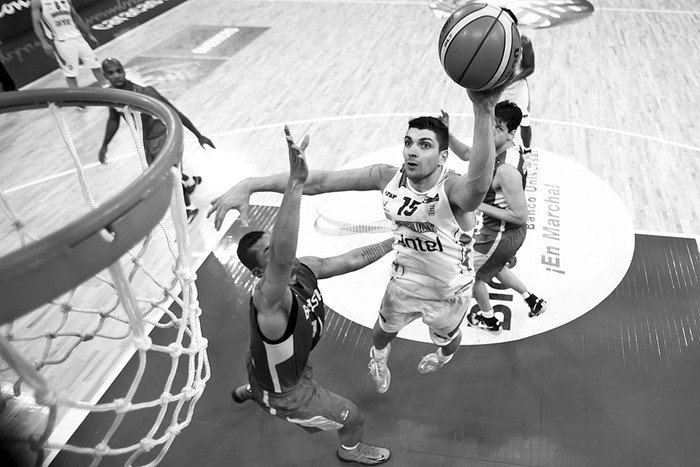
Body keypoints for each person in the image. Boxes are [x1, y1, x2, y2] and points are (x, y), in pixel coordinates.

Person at [208, 84, 506, 394]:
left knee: (448, 337)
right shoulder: (386, 177)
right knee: (381, 332)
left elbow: (477, 187)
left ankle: (443, 354)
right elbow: (318, 182)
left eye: (425, 145)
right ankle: (378, 358)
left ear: (443, 155)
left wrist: (483, 110)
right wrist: (251, 183)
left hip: (449, 290)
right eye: (408, 142)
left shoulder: (453, 188)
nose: (412, 150)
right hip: (406, 280)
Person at [231, 126, 393, 465]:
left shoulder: (304, 269)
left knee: (262, 364)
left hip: (275, 367)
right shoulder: (269, 301)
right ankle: (350, 451)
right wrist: (295, 184)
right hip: (289, 395)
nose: (278, 253)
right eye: (270, 254)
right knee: (354, 417)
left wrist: (395, 241)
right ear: (260, 273)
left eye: (273, 244)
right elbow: (283, 256)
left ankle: (255, 391)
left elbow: (352, 259)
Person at [442, 101, 549, 331]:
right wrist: (447, 133)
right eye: (491, 125)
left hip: (500, 234)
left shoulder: (506, 170)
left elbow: (520, 216)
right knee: (496, 267)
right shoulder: (497, 147)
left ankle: (488, 319)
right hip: (504, 233)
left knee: (469, 274)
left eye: (498, 128)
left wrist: (479, 204)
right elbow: (467, 154)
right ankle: (532, 300)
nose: (491, 132)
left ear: (512, 133)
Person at [99, 58, 215, 222]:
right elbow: (113, 119)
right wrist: (105, 145)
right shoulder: (112, 96)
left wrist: (198, 135)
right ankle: (190, 181)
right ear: (105, 76)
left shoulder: (145, 92)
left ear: (124, 71)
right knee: (170, 171)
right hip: (145, 142)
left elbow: (174, 112)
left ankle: (190, 208)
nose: (116, 75)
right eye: (111, 73)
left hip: (161, 138)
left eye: (119, 71)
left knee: (169, 175)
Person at [30, 0, 109, 89]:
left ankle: (106, 88)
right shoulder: (37, 2)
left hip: (78, 37)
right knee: (71, 74)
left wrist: (89, 34)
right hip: (61, 42)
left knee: (96, 65)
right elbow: (36, 24)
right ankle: (77, 98)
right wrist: (44, 43)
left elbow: (75, 17)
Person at [501, 8, 535, 156]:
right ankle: (498, 151)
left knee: (524, 122)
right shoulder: (493, 41)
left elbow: (530, 68)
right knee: (496, 122)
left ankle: (527, 153)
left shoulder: (524, 42)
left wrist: (513, 79)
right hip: (498, 89)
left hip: (517, 89)